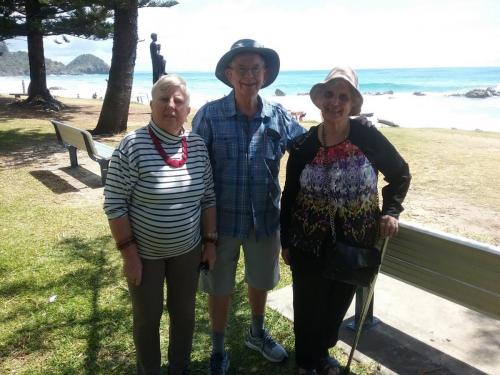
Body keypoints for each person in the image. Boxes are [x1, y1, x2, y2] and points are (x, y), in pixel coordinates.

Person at [280, 67, 411, 375]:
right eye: (329, 94)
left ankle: (322, 356)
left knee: (335, 307)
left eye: (343, 96)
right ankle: (305, 363)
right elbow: (290, 196)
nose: (335, 102)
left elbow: (400, 174)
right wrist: (286, 240)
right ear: (319, 99)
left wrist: (391, 211)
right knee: (307, 306)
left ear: (352, 104)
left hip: (354, 242)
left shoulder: (368, 137)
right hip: (307, 242)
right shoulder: (304, 145)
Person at [192, 39, 306, 374]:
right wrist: (202, 231)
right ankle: (217, 348)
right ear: (229, 74)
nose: (248, 75)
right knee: (219, 285)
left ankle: (257, 333)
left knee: (260, 280)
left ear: (265, 73)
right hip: (220, 225)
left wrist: (353, 133)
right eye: (241, 69)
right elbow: (195, 171)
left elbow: (309, 147)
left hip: (265, 221)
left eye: (255, 68)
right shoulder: (209, 116)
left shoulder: (278, 116)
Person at [104, 74, 217, 375]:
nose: (171, 106)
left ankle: (179, 369)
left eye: (178, 101)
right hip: (145, 256)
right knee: (147, 318)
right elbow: (114, 203)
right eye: (163, 99)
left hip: (188, 252)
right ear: (150, 105)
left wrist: (210, 242)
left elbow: (208, 197)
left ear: (188, 110)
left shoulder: (197, 145)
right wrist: (129, 256)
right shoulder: (132, 146)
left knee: (184, 315)